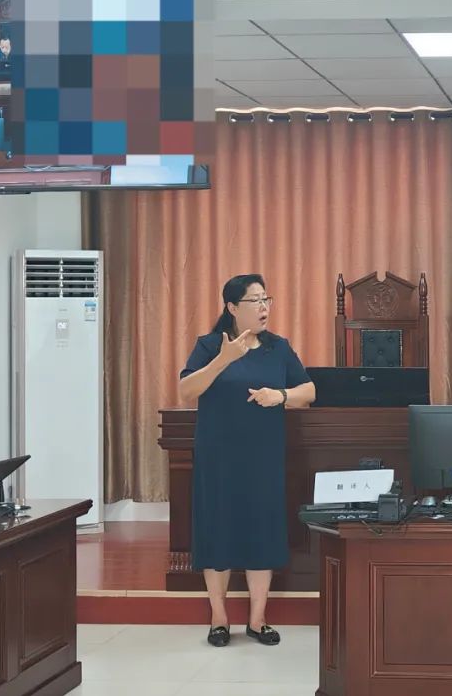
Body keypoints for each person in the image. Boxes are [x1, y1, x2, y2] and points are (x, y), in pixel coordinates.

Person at [179, 274, 315, 648]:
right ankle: (219, 619)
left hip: (263, 456)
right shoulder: (210, 346)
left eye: (266, 299)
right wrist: (222, 361)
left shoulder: (278, 348)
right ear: (232, 308)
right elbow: (187, 390)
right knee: (217, 529)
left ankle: (258, 620)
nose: (263, 307)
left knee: (261, 530)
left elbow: (309, 390)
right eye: (255, 301)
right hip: (218, 457)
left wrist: (281, 396)